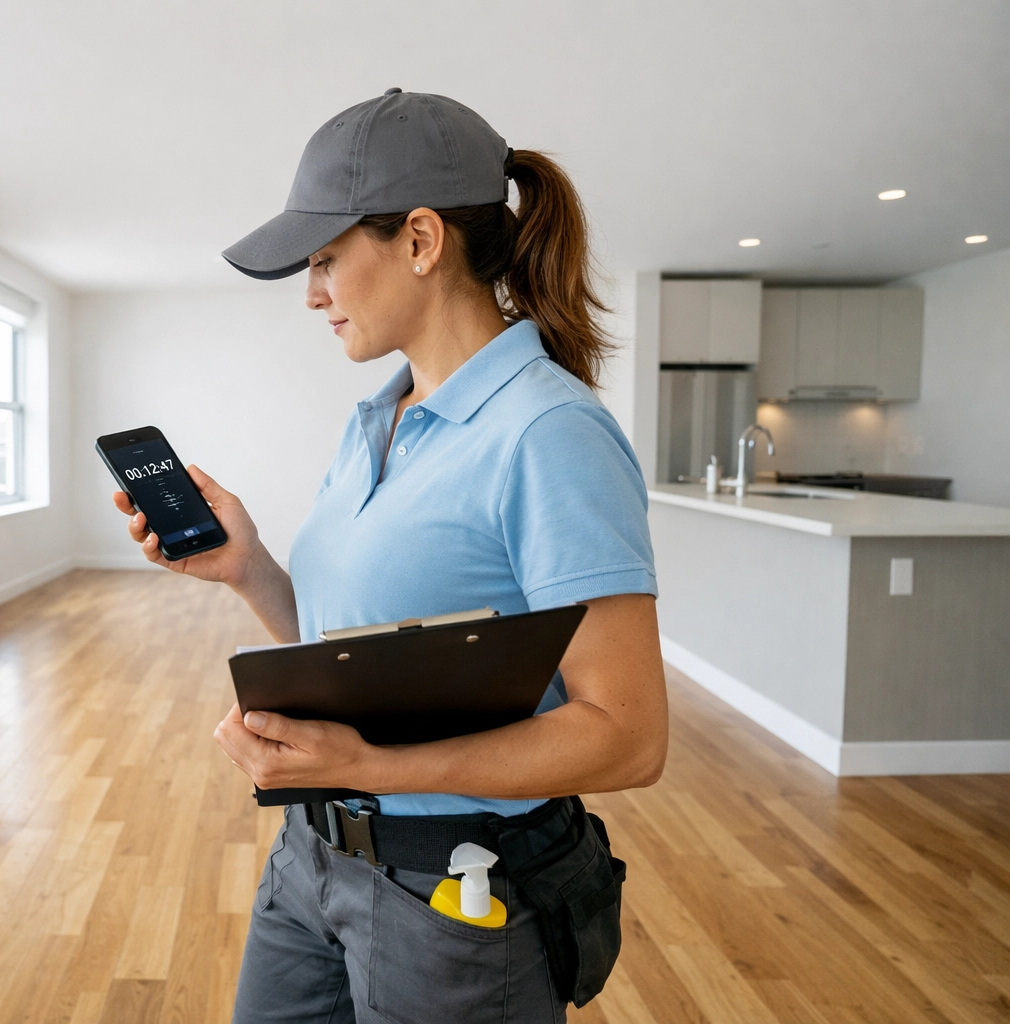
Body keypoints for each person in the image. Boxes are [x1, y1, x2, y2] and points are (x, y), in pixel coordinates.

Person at [111, 88, 667, 1023]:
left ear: (419, 240)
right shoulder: (378, 416)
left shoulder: (550, 434)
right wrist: (248, 568)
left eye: (327, 258)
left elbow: (629, 735)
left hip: (455, 900)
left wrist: (371, 769)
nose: (312, 292)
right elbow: (355, 656)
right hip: (311, 862)